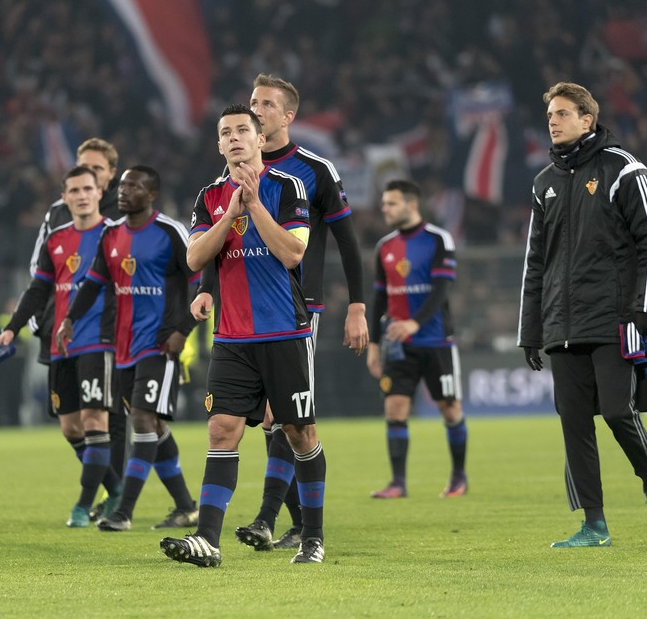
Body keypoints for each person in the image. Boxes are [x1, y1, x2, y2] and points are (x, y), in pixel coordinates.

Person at [192, 74, 367, 552]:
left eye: (265, 105)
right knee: (253, 424)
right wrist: (207, 287)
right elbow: (217, 246)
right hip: (237, 320)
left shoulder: (309, 173)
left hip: (296, 309)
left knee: (288, 423)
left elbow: (345, 244)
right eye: (252, 104)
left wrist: (357, 304)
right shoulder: (215, 190)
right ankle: (262, 523)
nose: (257, 112)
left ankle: (290, 524)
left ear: (284, 117)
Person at [160, 104, 326, 568]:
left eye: (242, 131)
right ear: (218, 144)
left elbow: (293, 253)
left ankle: (312, 537)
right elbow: (195, 259)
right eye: (225, 132)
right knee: (221, 429)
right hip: (232, 337)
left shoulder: (286, 187)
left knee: (298, 432)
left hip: (283, 332)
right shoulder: (210, 195)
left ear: (258, 139)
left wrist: (253, 206)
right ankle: (207, 539)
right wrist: (230, 211)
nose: (234, 138)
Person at [518, 81, 647, 548]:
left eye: (563, 113)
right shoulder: (544, 181)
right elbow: (535, 261)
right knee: (573, 423)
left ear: (587, 119)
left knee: (617, 412)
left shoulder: (623, 168)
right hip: (560, 323)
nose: (553, 120)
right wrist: (530, 330)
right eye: (550, 114)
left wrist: (644, 309)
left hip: (615, 319)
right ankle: (594, 524)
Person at [56, 165, 199, 532]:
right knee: (155, 425)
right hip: (123, 349)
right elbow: (93, 282)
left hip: (160, 344)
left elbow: (204, 284)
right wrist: (70, 318)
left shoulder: (170, 233)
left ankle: (123, 511)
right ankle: (186, 506)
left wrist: (183, 330)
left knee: (140, 418)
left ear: (151, 194)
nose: (123, 191)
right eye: (121, 185)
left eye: (133, 186)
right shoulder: (111, 235)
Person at [0, 165, 123, 527]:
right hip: (61, 345)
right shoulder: (56, 239)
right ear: (64, 198)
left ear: (100, 193)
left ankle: (83, 506)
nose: (82, 195)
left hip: (100, 340)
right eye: (74, 191)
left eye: (88, 188)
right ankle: (116, 490)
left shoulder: (116, 236)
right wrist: (12, 327)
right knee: (70, 428)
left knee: (94, 420)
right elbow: (39, 290)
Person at [28, 137, 126, 518]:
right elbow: (39, 276)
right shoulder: (56, 221)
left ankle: (92, 503)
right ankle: (115, 489)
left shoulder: (123, 220)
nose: (89, 183)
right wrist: (35, 320)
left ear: (108, 178)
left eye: (96, 173)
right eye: (82, 173)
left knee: (107, 420)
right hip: (62, 334)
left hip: (106, 334)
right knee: (72, 427)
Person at [365, 179, 467, 500]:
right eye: (384, 204)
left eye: (391, 203)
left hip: (436, 340)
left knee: (449, 409)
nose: (385, 209)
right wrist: (374, 345)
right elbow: (379, 298)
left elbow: (440, 290)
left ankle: (458, 477)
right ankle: (398, 483)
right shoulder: (384, 247)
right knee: (395, 408)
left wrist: (414, 322)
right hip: (398, 344)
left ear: (411, 205)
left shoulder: (439, 239)